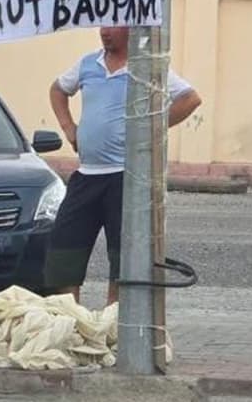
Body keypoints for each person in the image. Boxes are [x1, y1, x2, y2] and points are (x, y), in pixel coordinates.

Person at [44, 26, 202, 306]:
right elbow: (58, 89)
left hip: (124, 177)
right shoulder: (87, 64)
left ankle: (113, 322)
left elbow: (190, 99)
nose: (104, 33)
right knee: (65, 249)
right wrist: (69, 128)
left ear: (129, 30)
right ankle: (70, 317)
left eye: (112, 27)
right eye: (102, 27)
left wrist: (152, 128)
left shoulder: (146, 67)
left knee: (123, 256)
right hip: (86, 175)